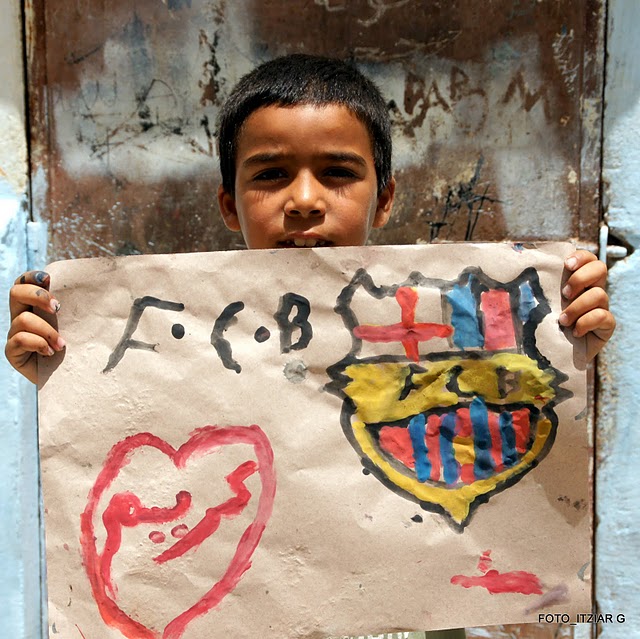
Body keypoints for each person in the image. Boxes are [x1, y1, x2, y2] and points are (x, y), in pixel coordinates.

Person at [4, 54, 615, 638]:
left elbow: (512, 514)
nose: (303, 200)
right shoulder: (177, 349)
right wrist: (68, 371)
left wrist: (565, 347)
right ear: (229, 203)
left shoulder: (452, 332)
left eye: (338, 173)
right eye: (270, 174)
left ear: (385, 197)